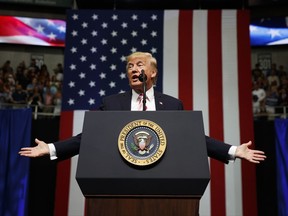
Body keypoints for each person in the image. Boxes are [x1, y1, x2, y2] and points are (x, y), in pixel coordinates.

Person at [19, 52, 266, 164]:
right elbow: (87, 138)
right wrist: (50, 148)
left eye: (139, 65)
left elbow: (194, 139)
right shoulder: (112, 103)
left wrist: (234, 151)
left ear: (153, 72)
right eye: (129, 66)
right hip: (119, 177)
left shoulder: (171, 104)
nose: (134, 69)